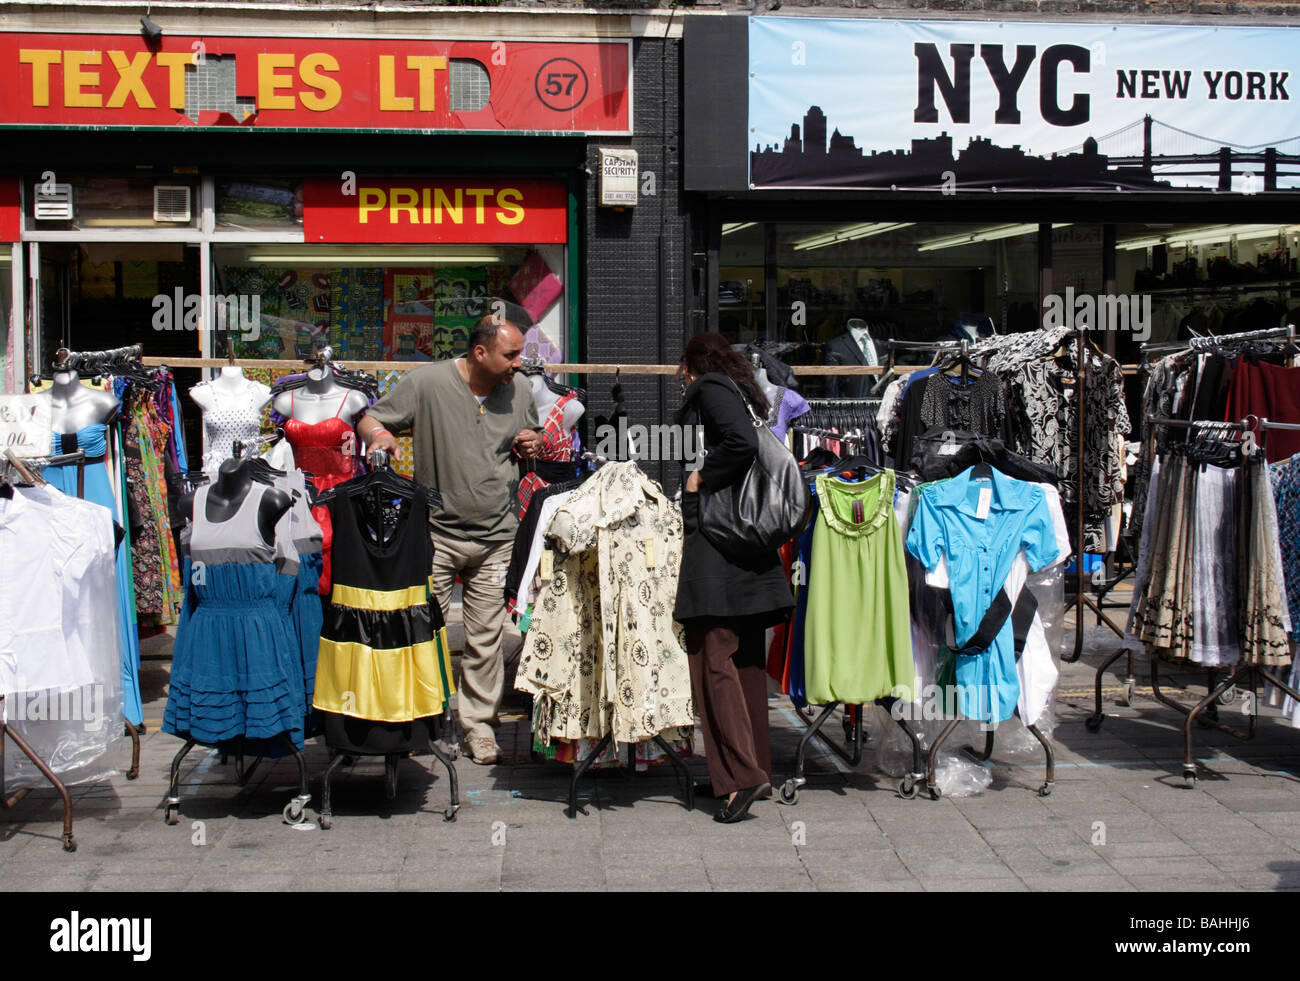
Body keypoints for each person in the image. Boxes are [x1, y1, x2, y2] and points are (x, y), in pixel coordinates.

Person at [358, 316, 540, 765]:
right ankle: (428, 718)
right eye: (510, 354)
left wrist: (531, 441)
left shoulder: (519, 389)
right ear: (480, 352)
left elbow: (529, 434)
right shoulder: (428, 383)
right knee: (426, 632)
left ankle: (479, 726)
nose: (519, 363)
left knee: (486, 639)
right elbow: (371, 419)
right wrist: (380, 435)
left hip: (498, 534)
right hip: (436, 532)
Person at [674, 332, 795, 822]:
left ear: (691, 364)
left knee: (711, 657)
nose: (681, 379)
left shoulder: (710, 387)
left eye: (681, 370)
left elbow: (741, 443)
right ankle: (753, 770)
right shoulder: (742, 391)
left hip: (719, 542)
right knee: (743, 660)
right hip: (747, 543)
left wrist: (700, 478)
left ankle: (740, 778)